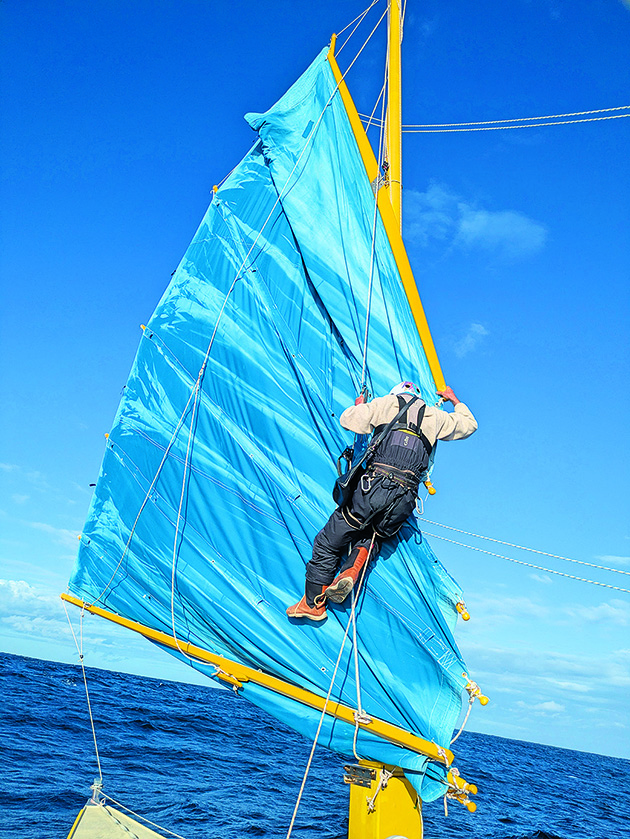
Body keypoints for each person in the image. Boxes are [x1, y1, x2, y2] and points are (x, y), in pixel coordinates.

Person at [286, 381, 478, 621]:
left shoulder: (386, 403)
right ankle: (351, 570)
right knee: (374, 534)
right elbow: (470, 425)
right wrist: (454, 399)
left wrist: (360, 406)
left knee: (329, 540)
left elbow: (347, 419)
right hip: (405, 499)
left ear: (396, 393)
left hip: (374, 487)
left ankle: (312, 604)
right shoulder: (435, 416)